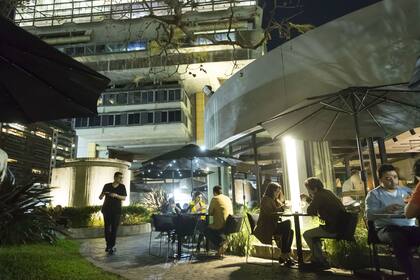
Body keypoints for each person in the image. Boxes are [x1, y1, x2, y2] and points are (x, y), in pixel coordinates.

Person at [366, 164, 420, 280]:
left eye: (395, 177)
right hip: (386, 228)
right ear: (380, 180)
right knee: (397, 238)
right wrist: (384, 209)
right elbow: (369, 215)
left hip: (408, 227)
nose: (393, 181)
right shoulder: (374, 195)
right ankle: (412, 276)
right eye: (388, 178)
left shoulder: (406, 191)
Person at [301, 177, 345, 270]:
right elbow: (317, 205)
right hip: (342, 226)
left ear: (315, 189)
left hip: (333, 228)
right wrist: (309, 199)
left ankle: (320, 261)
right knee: (314, 234)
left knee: (307, 234)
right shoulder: (327, 192)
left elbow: (310, 210)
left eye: (309, 189)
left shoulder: (319, 195)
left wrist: (308, 199)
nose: (309, 191)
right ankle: (318, 259)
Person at [254, 182, 295, 266]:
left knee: (290, 231)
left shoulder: (274, 200)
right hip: (266, 227)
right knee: (287, 224)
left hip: (272, 225)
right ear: (271, 191)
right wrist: (282, 208)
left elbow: (280, 208)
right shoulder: (266, 199)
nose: (278, 193)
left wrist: (284, 205)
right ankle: (285, 255)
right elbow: (270, 213)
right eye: (276, 191)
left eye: (279, 192)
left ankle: (284, 255)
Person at [99, 171, 127, 255]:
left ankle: (112, 245)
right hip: (106, 209)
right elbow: (100, 197)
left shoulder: (122, 187)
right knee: (107, 228)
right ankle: (108, 245)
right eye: (120, 177)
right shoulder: (107, 186)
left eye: (122, 178)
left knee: (114, 228)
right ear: (115, 177)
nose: (121, 179)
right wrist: (103, 194)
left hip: (116, 211)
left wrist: (116, 195)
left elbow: (124, 198)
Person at [204, 185, 233, 257]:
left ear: (214, 192)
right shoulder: (227, 198)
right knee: (209, 226)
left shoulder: (215, 199)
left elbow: (210, 213)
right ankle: (222, 244)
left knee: (205, 229)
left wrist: (209, 223)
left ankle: (221, 243)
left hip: (221, 225)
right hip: (230, 224)